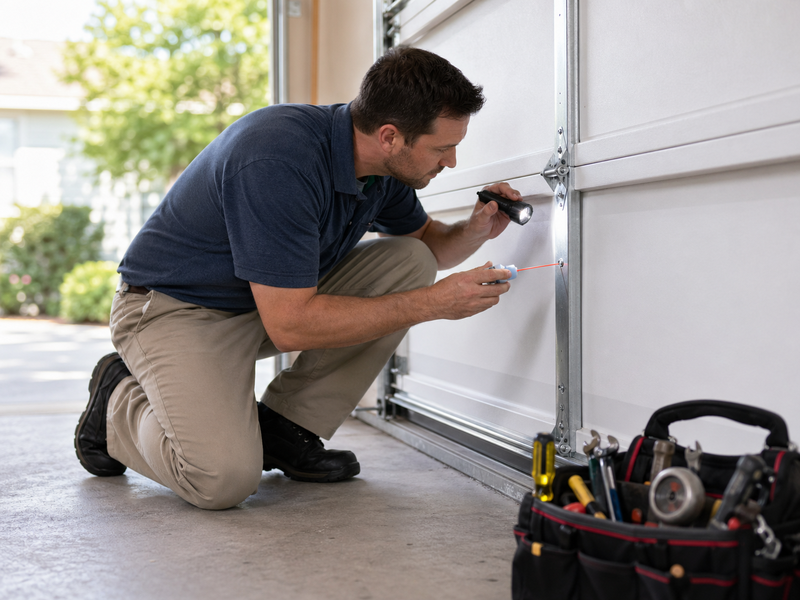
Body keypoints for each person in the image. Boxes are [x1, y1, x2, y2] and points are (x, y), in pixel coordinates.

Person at [74, 47, 524, 510]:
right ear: (390, 136)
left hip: (262, 305)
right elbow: (290, 326)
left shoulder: (382, 168)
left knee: (409, 259)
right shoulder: (277, 159)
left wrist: (475, 230)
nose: (451, 162)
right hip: (175, 310)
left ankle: (286, 428)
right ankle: (116, 399)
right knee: (220, 480)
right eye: (442, 148)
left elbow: (429, 243)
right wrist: (432, 304)